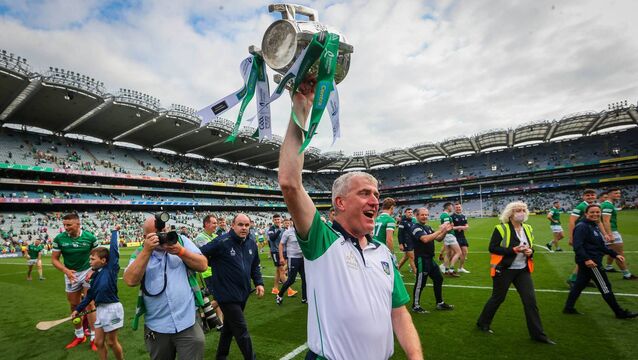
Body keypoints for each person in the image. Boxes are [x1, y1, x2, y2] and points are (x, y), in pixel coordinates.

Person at [278, 78, 422, 360]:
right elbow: (289, 182)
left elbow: (399, 313)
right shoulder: (322, 242)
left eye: (376, 194)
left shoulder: (382, 252)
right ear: (340, 203)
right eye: (365, 193)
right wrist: (302, 109)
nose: (375, 200)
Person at [123, 216, 208, 360]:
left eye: (164, 231)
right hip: (158, 326)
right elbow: (130, 280)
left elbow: (203, 265)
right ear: (144, 237)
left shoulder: (180, 241)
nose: (162, 236)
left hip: (187, 321)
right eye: (156, 234)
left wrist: (181, 252)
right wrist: (146, 251)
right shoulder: (140, 252)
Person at [476, 201, 555, 345]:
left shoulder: (528, 228)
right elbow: (492, 248)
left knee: (530, 301)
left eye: (523, 210)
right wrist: (513, 250)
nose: (521, 213)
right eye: (518, 210)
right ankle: (483, 322)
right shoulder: (501, 228)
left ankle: (538, 334)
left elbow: (530, 247)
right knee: (498, 298)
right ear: (510, 213)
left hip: (522, 270)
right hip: (504, 269)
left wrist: (531, 252)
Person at [200, 213, 265, 360]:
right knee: (242, 331)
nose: (244, 228)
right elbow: (201, 253)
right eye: (240, 225)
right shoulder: (222, 241)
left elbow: (255, 265)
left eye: (247, 225)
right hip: (226, 294)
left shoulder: (251, 243)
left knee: (229, 329)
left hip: (243, 293)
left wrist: (259, 283)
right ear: (233, 225)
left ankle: (221, 357)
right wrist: (211, 265)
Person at [563, 204, 638, 318]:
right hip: (591, 263)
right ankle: (619, 312)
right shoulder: (582, 226)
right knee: (605, 287)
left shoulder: (594, 226)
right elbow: (578, 246)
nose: (595, 214)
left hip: (590, 262)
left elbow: (600, 246)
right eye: (592, 212)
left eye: (598, 212)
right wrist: (587, 259)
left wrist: (615, 254)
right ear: (586, 214)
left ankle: (568, 308)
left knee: (578, 286)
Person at [71, 226, 124, 360]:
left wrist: (114, 232)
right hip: (100, 309)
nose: (90, 262)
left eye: (92, 259)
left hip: (112, 308)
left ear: (103, 261)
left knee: (111, 342)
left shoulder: (111, 269)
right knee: (98, 342)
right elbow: (89, 296)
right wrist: (78, 309)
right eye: (90, 259)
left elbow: (114, 250)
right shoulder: (93, 277)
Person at [51, 213, 99, 350]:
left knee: (90, 304)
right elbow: (54, 259)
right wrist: (66, 271)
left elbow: (99, 255)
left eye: (69, 225)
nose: (66, 228)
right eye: (64, 225)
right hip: (70, 274)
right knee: (74, 305)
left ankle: (94, 337)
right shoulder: (59, 239)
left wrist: (93, 270)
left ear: (78, 224)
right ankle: (79, 335)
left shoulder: (90, 237)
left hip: (88, 272)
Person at [410, 207, 454, 313]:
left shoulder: (428, 227)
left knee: (438, 278)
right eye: (422, 215)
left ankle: (440, 303)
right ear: (417, 216)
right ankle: (415, 306)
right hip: (422, 260)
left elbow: (438, 239)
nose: (425, 216)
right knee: (421, 283)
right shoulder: (415, 227)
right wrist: (440, 230)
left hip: (430, 259)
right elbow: (425, 239)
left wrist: (445, 232)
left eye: (426, 215)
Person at [567, 189, 607, 287]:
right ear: (583, 197)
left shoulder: (596, 206)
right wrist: (572, 237)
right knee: (586, 257)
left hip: (591, 235)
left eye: (592, 195)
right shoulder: (581, 206)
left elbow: (599, 222)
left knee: (590, 257)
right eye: (588, 195)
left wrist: (605, 234)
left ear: (596, 196)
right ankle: (573, 279)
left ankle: (583, 279)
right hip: (582, 235)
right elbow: (572, 221)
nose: (590, 197)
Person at [193, 214, 224, 327]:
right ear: (206, 224)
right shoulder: (200, 238)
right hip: (207, 272)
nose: (216, 225)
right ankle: (201, 316)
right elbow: (209, 253)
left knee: (219, 297)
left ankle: (220, 323)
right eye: (214, 223)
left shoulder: (215, 236)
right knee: (220, 298)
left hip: (217, 270)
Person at [601, 188, 637, 279]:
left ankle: (608, 267)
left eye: (619, 193)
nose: (618, 195)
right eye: (616, 193)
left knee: (611, 251)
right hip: (611, 231)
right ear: (609, 194)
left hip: (609, 231)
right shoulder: (608, 205)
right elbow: (606, 220)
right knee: (619, 253)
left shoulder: (607, 204)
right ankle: (627, 274)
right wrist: (610, 234)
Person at [276, 219, 306, 304]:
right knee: (291, 279)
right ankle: (280, 295)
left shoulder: (303, 230)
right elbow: (281, 244)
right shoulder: (287, 232)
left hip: (303, 258)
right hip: (293, 258)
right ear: (292, 222)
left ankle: (305, 298)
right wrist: (281, 257)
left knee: (305, 278)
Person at [440, 202, 461, 277]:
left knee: (448, 253)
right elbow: (447, 227)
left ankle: (445, 270)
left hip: (446, 236)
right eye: (451, 206)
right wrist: (457, 227)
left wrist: (452, 225)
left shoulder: (444, 215)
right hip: (449, 236)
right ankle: (451, 270)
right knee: (458, 252)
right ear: (448, 207)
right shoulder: (445, 215)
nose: (452, 208)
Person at [267, 214, 286, 295]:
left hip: (281, 252)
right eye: (276, 220)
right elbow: (272, 238)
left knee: (278, 271)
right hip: (275, 252)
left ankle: (275, 288)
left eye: (278, 219)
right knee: (281, 269)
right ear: (273, 221)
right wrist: (279, 230)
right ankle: (288, 289)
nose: (277, 221)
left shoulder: (282, 229)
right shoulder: (271, 229)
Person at [451, 202, 470, 273]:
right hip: (454, 237)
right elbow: (450, 227)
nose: (458, 208)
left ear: (461, 208)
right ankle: (445, 266)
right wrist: (458, 227)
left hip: (462, 236)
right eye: (457, 207)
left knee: (465, 252)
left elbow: (467, 225)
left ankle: (460, 268)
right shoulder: (452, 216)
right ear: (454, 208)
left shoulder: (463, 216)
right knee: (453, 254)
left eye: (459, 207)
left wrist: (464, 227)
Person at [397, 208, 417, 275]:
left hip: (412, 242)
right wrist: (400, 244)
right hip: (406, 242)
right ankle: (416, 273)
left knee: (406, 257)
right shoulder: (403, 222)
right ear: (405, 213)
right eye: (408, 212)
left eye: (411, 212)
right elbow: (400, 233)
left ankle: (397, 269)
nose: (410, 213)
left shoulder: (412, 221)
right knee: (412, 257)